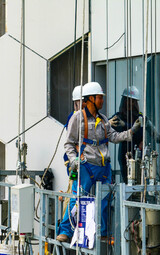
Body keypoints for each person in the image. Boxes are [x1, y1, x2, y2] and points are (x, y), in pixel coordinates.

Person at [56, 82, 141, 242]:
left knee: (104, 200)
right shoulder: (77, 118)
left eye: (102, 98)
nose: (102, 101)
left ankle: (103, 232)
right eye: (99, 98)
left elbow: (114, 136)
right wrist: (73, 159)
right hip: (86, 165)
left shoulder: (103, 120)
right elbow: (69, 143)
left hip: (103, 167)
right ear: (89, 99)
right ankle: (66, 231)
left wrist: (131, 132)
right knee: (77, 197)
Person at [60, 85, 86, 215]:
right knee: (73, 192)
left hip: (84, 162)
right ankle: (67, 225)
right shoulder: (74, 117)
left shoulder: (87, 116)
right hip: (74, 162)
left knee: (78, 193)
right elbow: (73, 141)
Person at [109, 86, 143, 183]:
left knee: (138, 181)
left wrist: (126, 125)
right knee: (127, 181)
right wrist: (108, 122)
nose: (130, 103)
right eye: (128, 100)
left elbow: (140, 131)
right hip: (124, 152)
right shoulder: (119, 116)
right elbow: (106, 129)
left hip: (137, 152)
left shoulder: (139, 116)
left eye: (132, 101)